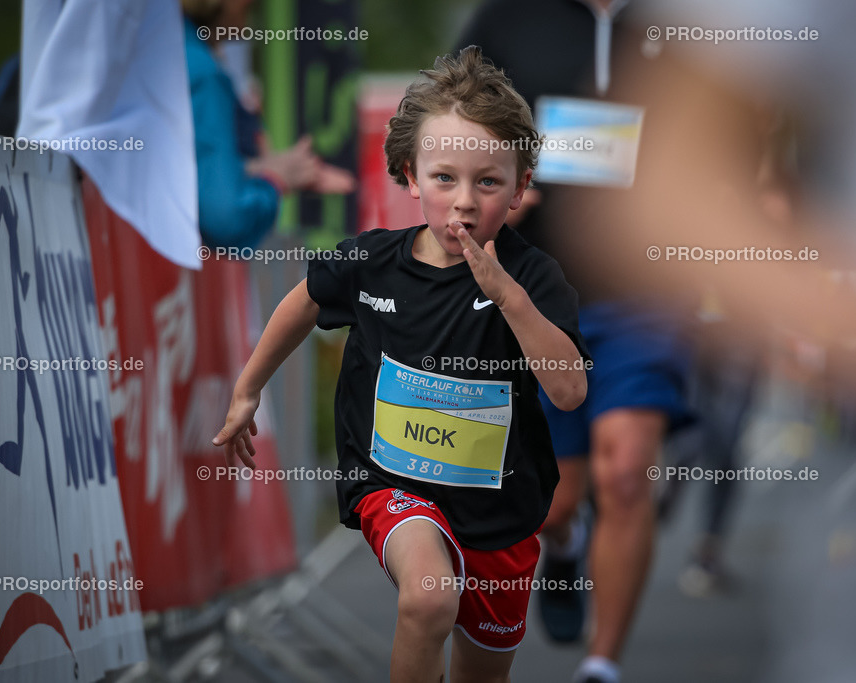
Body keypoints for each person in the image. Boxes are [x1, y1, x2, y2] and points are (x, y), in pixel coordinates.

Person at [213, 47, 589, 683]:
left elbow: (570, 392)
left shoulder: (533, 279)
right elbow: (304, 299)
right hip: (392, 480)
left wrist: (510, 300)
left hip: (500, 507)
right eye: (444, 178)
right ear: (409, 176)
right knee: (430, 595)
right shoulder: (370, 263)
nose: (464, 202)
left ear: (521, 187)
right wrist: (248, 389)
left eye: (488, 182)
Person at [458, 3, 697, 681]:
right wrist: (493, 180)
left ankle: (602, 664)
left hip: (649, 288)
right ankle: (564, 543)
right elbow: (451, 114)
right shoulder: (509, 16)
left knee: (627, 471)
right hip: (539, 289)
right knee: (556, 500)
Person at [182, 0, 354, 247]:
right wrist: (274, 181)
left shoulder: (158, 51)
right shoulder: (202, 74)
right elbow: (225, 218)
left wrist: (255, 169)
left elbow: (180, 174)